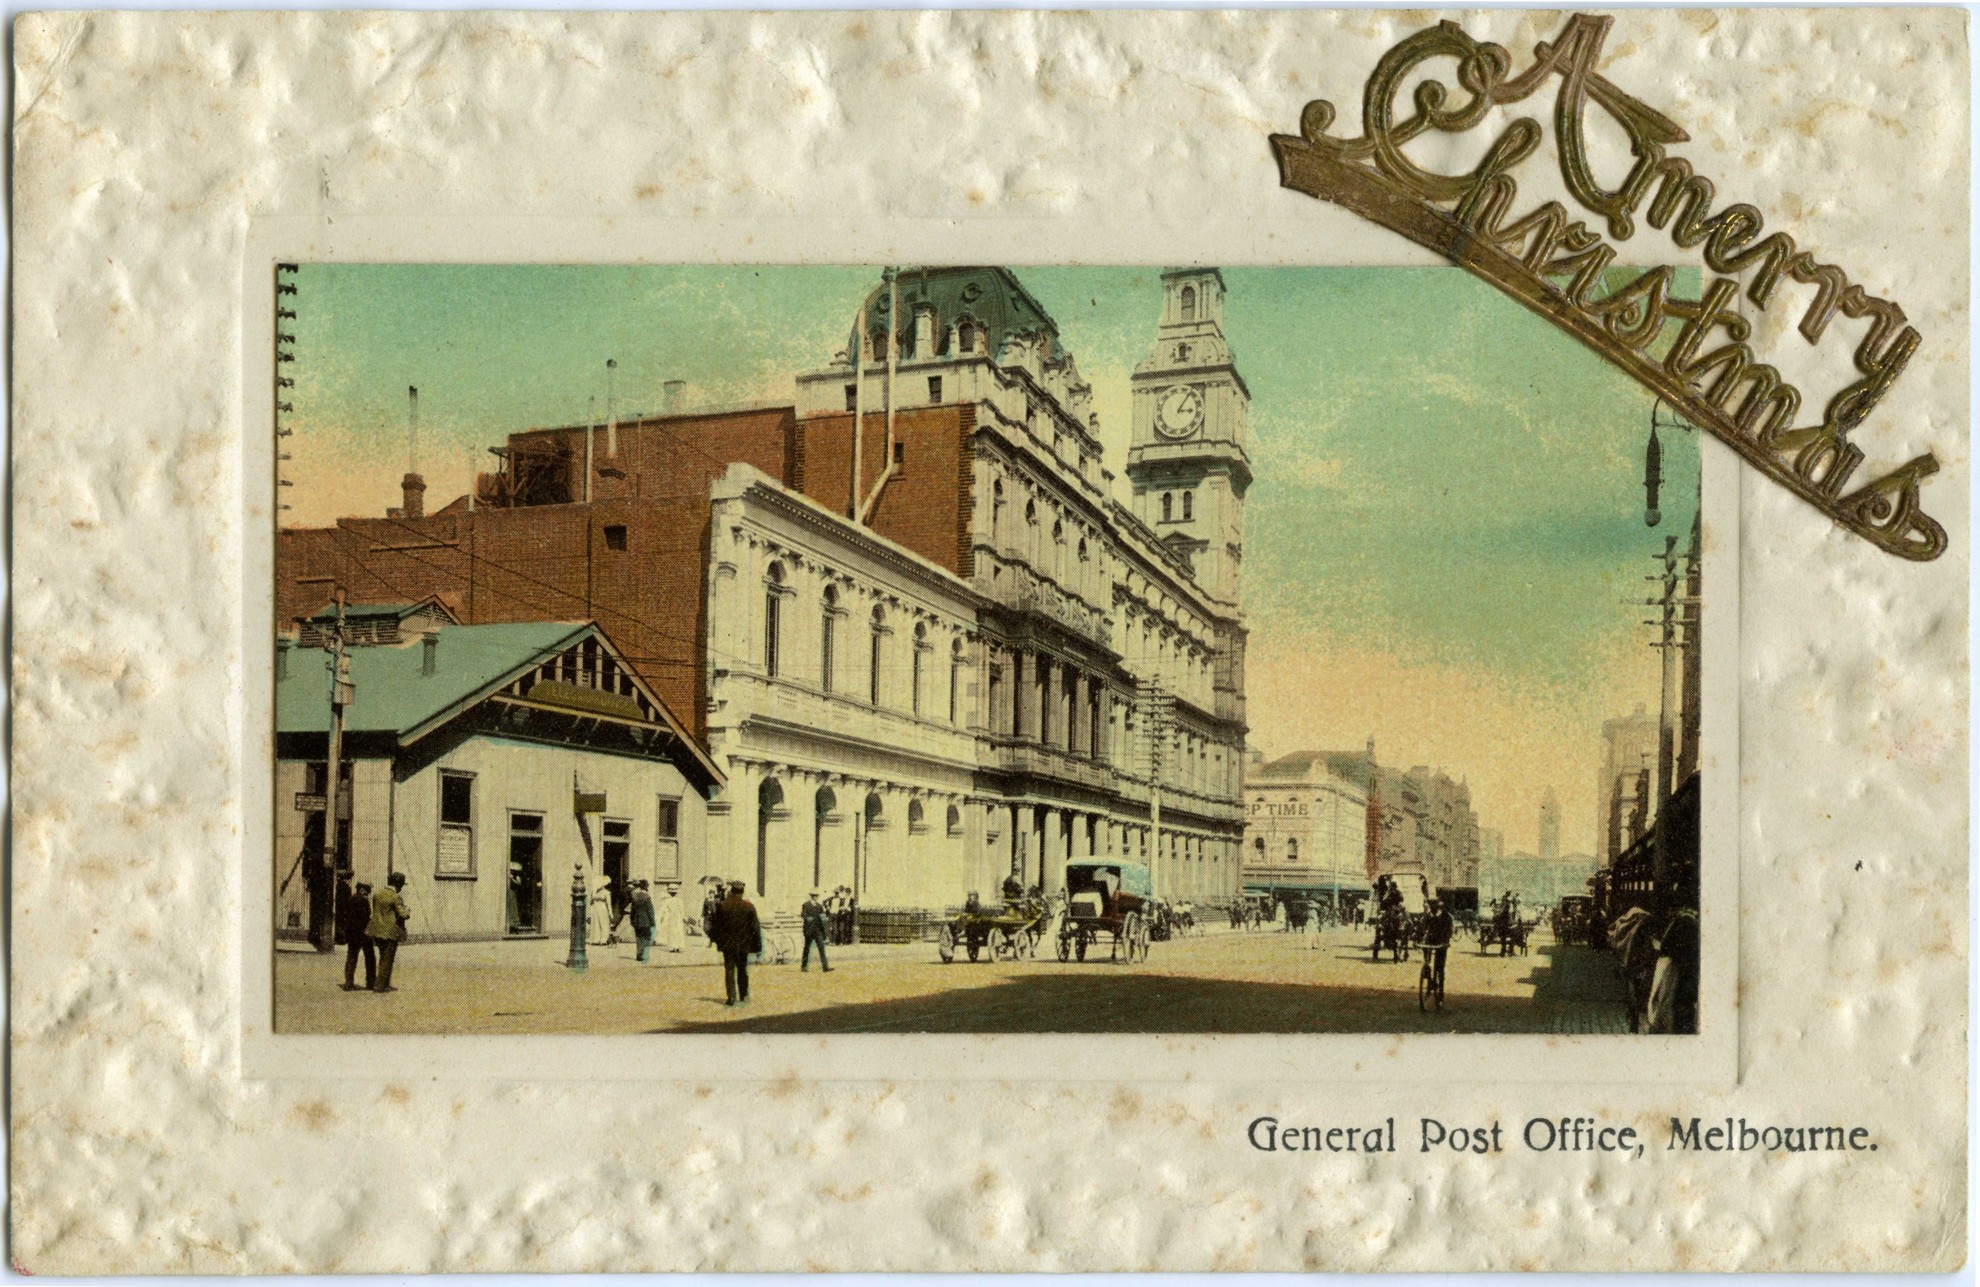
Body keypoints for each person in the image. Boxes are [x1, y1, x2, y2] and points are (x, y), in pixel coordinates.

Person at [709, 880, 762, 1006]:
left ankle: (731, 997)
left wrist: (717, 940)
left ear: (731, 891)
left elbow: (716, 926)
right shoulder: (749, 907)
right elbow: (755, 928)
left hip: (728, 945)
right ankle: (743, 995)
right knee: (743, 970)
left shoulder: (723, 906)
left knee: (729, 970)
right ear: (742, 892)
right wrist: (757, 945)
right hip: (744, 944)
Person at [368, 872, 410, 993]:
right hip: (390, 932)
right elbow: (404, 915)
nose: (401, 887)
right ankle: (380, 986)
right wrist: (408, 910)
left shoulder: (377, 893)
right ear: (397, 884)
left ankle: (384, 983)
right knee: (388, 959)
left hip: (376, 931)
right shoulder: (395, 896)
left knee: (382, 957)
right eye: (401, 885)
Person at [338, 878, 375, 991]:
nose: (369, 892)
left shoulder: (351, 898)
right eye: (368, 890)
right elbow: (365, 918)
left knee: (351, 957)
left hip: (352, 933)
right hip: (362, 933)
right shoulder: (363, 900)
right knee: (370, 957)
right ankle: (371, 982)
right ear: (363, 889)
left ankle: (348, 982)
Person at [1419, 896, 1454, 994]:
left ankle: (1440, 992)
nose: (1433, 909)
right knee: (1427, 961)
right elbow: (1422, 928)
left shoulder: (1447, 917)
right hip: (1431, 941)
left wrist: (1445, 941)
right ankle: (1428, 974)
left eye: (1435, 907)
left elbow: (1450, 931)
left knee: (1439, 967)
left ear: (1439, 907)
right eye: (1431, 907)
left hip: (1442, 942)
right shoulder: (1428, 916)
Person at [800, 889, 833, 973]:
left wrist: (828, 911)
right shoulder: (806, 905)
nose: (816, 897)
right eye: (814, 895)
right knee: (807, 948)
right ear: (811, 896)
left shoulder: (819, 906)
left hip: (818, 930)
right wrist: (808, 918)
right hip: (809, 930)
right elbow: (803, 914)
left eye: (817, 895)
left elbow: (823, 916)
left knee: (821, 948)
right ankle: (804, 966)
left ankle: (825, 967)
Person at [626, 880, 655, 962]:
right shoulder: (647, 897)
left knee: (638, 937)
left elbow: (632, 910)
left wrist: (632, 920)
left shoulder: (635, 896)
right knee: (646, 937)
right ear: (646, 887)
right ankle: (643, 953)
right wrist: (653, 922)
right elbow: (650, 911)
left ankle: (639, 954)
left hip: (637, 920)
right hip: (646, 921)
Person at [654, 883, 686, 954]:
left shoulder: (667, 901)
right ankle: (678, 946)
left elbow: (662, 909)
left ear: (669, 893)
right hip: (678, 918)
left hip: (671, 918)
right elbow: (682, 911)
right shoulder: (680, 900)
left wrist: (659, 916)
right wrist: (683, 917)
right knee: (678, 931)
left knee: (672, 932)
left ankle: (673, 947)